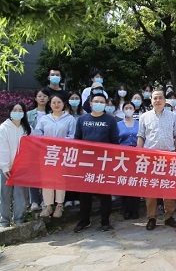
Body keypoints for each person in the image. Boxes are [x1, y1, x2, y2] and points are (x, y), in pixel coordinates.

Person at [72, 93, 120, 233]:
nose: (99, 103)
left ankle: (105, 222)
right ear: (91, 103)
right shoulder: (82, 119)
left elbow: (115, 141)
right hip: (86, 162)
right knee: (84, 194)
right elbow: (77, 139)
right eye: (96, 101)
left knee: (105, 193)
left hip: (104, 162)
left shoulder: (110, 120)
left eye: (101, 102)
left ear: (105, 104)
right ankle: (84, 221)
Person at [137, 89, 176, 231]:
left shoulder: (173, 116)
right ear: (151, 100)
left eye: (160, 98)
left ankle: (169, 217)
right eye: (155, 98)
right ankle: (152, 217)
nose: (158, 100)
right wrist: (138, 153)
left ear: (164, 100)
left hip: (169, 157)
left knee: (169, 188)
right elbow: (141, 136)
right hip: (150, 158)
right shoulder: (144, 117)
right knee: (151, 189)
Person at [33, 95, 76, 218]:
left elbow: (73, 136)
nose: (56, 105)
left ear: (63, 103)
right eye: (54, 102)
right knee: (47, 179)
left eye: (59, 102)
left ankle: (59, 205)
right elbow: (38, 134)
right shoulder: (44, 119)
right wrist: (47, 142)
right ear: (50, 104)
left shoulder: (70, 119)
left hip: (62, 153)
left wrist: (61, 142)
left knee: (60, 179)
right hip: (47, 153)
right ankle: (48, 206)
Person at [0, 103, 31, 227]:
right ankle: (4, 221)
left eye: (20, 110)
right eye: (14, 110)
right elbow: (3, 149)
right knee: (4, 194)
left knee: (21, 195)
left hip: (22, 168)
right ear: (10, 112)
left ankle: (19, 219)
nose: (17, 112)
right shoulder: (3, 128)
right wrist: (5, 166)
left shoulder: (27, 128)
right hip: (6, 168)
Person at [26, 88, 50, 211]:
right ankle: (35, 201)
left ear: (48, 98)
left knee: (47, 175)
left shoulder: (52, 113)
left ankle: (46, 200)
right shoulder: (29, 114)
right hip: (33, 148)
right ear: (35, 98)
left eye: (45, 96)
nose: (42, 98)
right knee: (33, 174)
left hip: (48, 149)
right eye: (39, 96)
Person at [117, 101, 140, 220]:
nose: (129, 110)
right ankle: (126, 210)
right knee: (124, 183)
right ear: (123, 110)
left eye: (131, 107)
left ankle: (135, 210)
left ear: (134, 109)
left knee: (135, 183)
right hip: (123, 157)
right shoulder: (118, 125)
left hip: (137, 158)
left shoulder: (139, 124)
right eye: (126, 108)